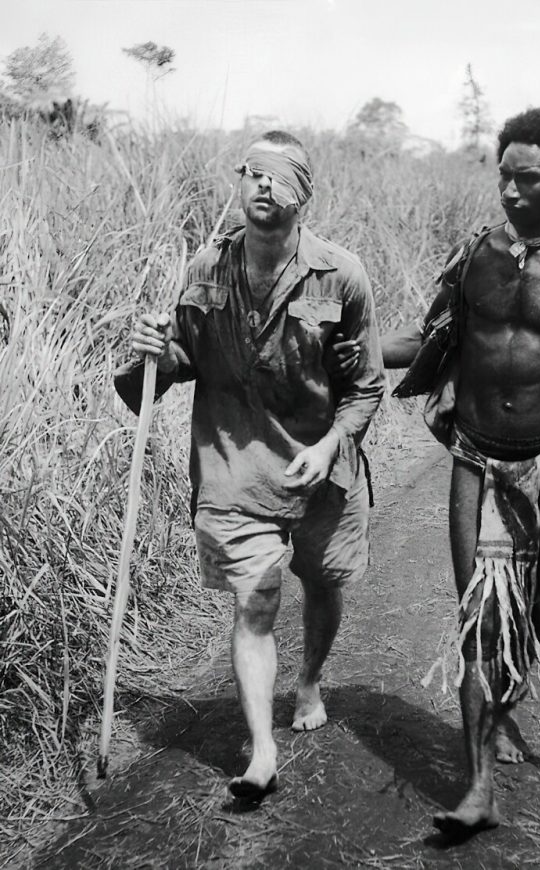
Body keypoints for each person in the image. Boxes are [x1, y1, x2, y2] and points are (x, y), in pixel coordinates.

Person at [337, 107, 540, 836]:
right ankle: (479, 787)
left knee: (528, 617)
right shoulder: (474, 259)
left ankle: (505, 701)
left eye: (529, 179)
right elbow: (422, 339)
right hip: (474, 458)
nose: (511, 191)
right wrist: (347, 346)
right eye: (504, 177)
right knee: (477, 620)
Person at [115, 130, 384, 802]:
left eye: (280, 174)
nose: (264, 184)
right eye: (253, 171)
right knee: (256, 597)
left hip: (321, 468)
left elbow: (368, 387)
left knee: (322, 583)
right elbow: (171, 368)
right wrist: (153, 352)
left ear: (304, 193)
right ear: (240, 182)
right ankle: (263, 751)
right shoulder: (206, 269)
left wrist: (331, 445)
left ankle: (310, 679)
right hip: (235, 466)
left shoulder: (341, 275)